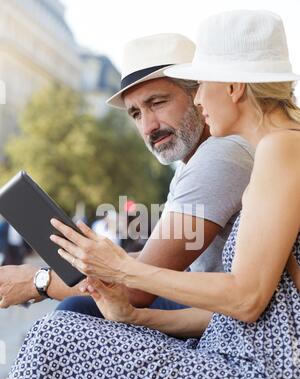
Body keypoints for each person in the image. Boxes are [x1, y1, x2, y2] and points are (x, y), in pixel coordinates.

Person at [3, 11, 299, 379]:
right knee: (63, 337)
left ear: (233, 86)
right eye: (136, 113)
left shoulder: (273, 149)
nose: (201, 101)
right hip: (249, 369)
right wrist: (135, 311)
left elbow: (248, 299)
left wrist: (117, 270)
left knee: (57, 338)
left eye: (201, 86)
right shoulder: (273, 149)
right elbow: (262, 310)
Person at [0, 33, 253, 314]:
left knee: (76, 312)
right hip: (206, 308)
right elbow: (147, 262)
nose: (148, 127)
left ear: (198, 95)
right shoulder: (193, 163)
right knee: (78, 309)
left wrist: (39, 281)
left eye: (157, 103)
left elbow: (138, 289)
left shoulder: (218, 156)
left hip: (223, 324)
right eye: (135, 114)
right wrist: (69, 265)